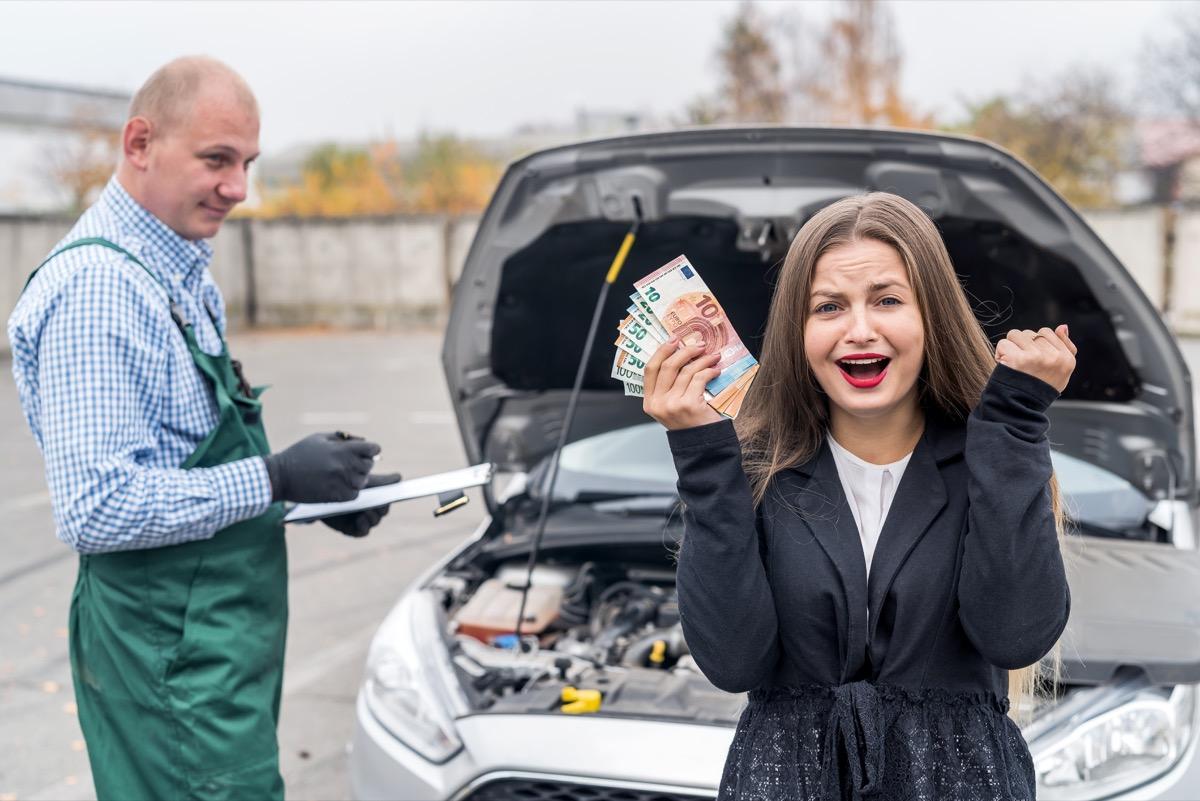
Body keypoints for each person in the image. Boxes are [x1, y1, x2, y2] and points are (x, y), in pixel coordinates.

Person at [7, 56, 399, 800]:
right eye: (216, 159)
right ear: (140, 143)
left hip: (209, 652)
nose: (238, 187)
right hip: (167, 660)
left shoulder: (177, 268)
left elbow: (179, 462)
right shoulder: (101, 290)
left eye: (247, 162)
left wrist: (313, 499)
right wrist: (274, 476)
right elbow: (97, 506)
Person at [642, 192, 1074, 801]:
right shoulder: (749, 471)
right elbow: (733, 663)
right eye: (829, 307)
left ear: (933, 317)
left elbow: (1015, 636)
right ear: (799, 331)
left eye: (888, 300)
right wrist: (703, 454)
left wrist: (1016, 423)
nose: (860, 330)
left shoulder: (996, 455)